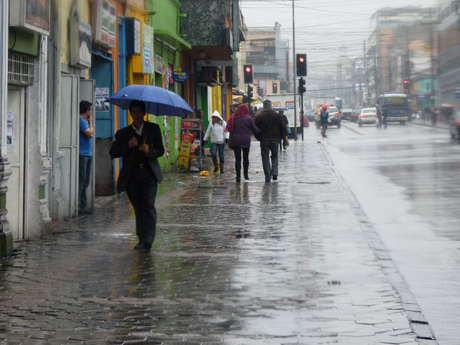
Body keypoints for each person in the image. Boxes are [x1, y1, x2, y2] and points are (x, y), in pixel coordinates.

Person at [110, 100, 165, 251]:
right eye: (133, 112)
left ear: (144, 113)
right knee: (138, 207)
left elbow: (161, 150)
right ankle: (141, 238)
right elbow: (113, 152)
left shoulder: (153, 129)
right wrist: (128, 145)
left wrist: (150, 151)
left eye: (139, 112)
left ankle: (148, 239)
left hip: (149, 173)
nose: (136, 115)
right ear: (130, 114)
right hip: (132, 175)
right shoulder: (123, 133)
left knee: (148, 205)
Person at [226, 104, 261, 182]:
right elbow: (255, 129)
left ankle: (238, 176)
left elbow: (229, 128)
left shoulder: (233, 118)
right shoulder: (248, 118)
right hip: (245, 140)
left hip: (236, 140)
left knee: (237, 159)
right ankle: (246, 175)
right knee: (246, 158)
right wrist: (262, 132)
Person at [254, 100, 286, 182]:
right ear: (271, 106)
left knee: (265, 158)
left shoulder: (260, 116)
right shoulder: (277, 116)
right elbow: (283, 127)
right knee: (275, 156)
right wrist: (281, 137)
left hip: (264, 140)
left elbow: (255, 129)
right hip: (275, 139)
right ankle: (274, 172)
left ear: (264, 107)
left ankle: (268, 177)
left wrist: (259, 137)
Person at [78, 100, 94, 214]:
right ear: (87, 110)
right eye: (90, 110)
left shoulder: (83, 121)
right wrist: (91, 122)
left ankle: (83, 204)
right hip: (82, 154)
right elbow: (90, 134)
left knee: (86, 180)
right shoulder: (80, 120)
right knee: (82, 180)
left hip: (87, 154)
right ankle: (80, 205)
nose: (91, 113)